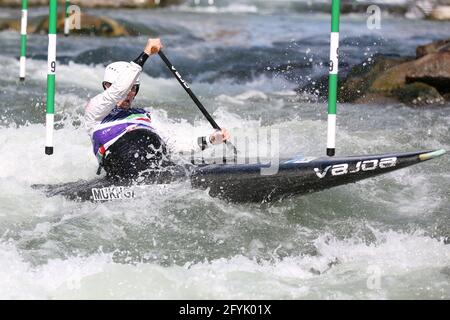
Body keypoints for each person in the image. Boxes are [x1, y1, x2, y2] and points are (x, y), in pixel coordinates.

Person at [85, 38, 230, 180]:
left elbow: (175, 145)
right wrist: (146, 53)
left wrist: (210, 140)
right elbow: (118, 91)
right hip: (122, 166)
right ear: (106, 86)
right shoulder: (95, 111)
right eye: (127, 87)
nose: (129, 93)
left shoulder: (145, 115)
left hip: (157, 166)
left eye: (134, 88)